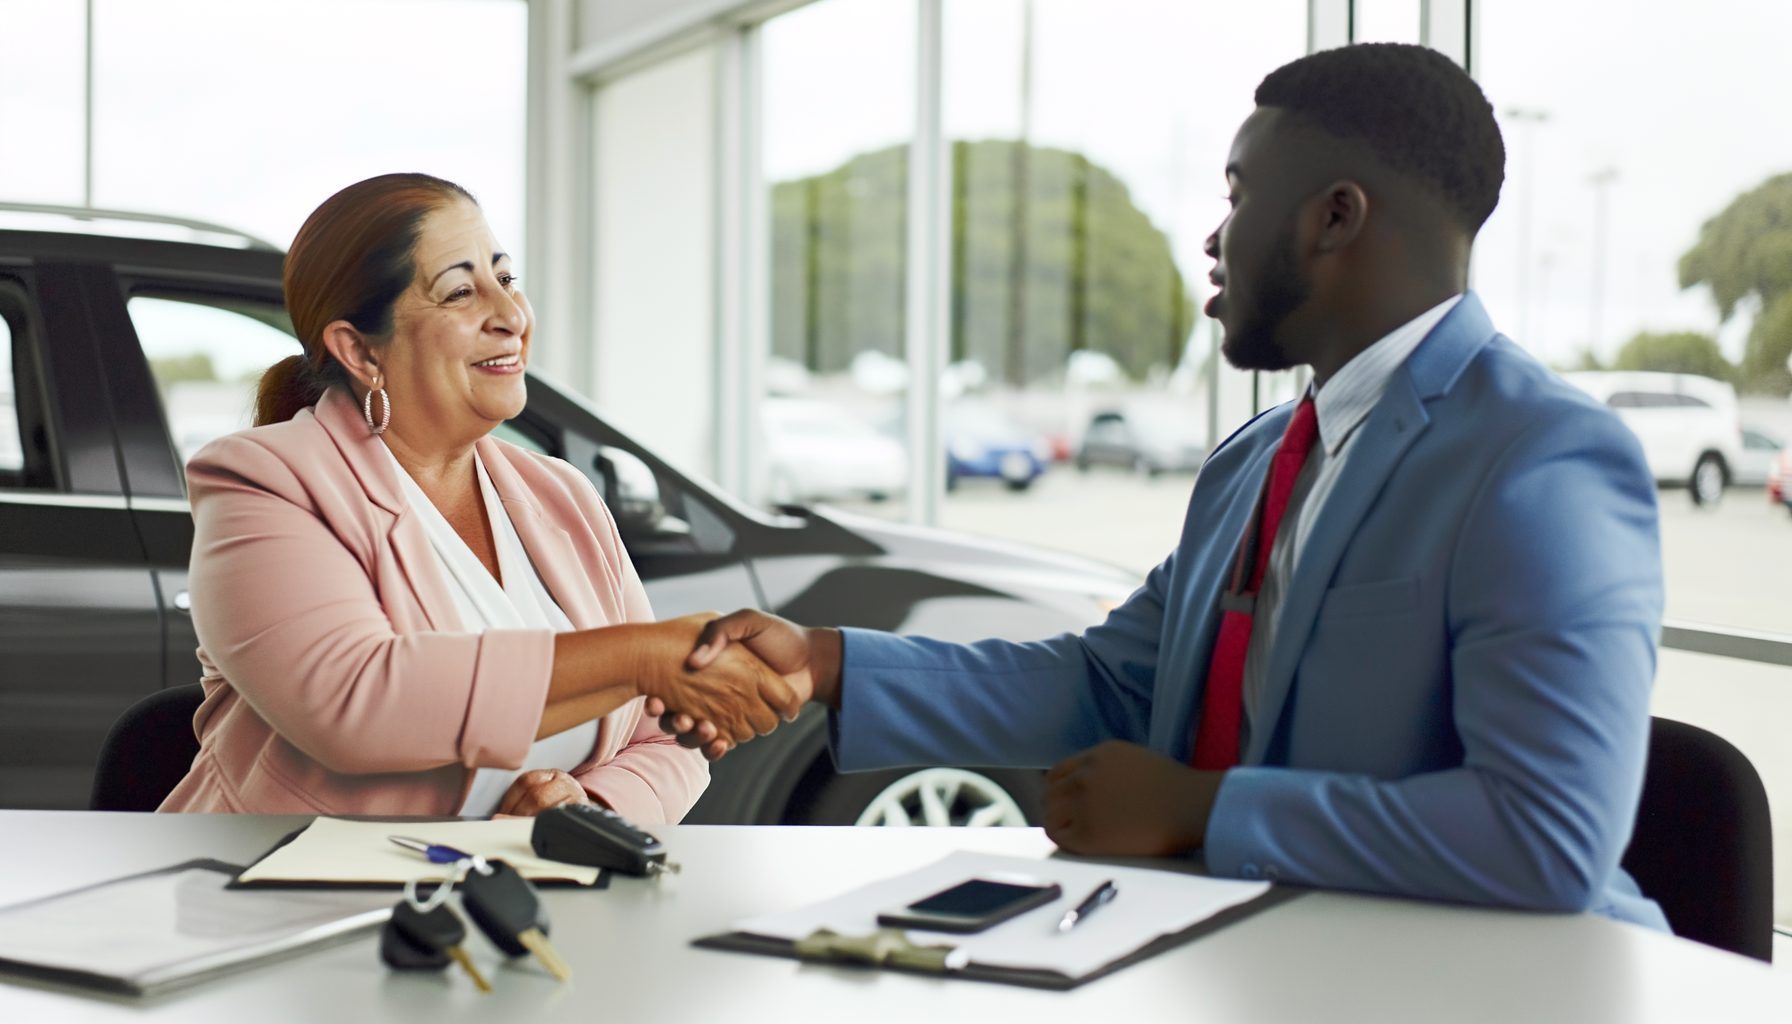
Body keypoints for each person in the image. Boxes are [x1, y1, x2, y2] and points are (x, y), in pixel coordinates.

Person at [676, 44, 1669, 928]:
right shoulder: (1254, 461)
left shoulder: (1540, 456)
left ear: (1334, 218)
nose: (1213, 238)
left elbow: (1543, 833)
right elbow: (1109, 681)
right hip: (1250, 954)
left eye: (1238, 197)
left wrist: (1201, 809)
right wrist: (823, 661)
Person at [160, 173, 799, 821]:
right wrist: (642, 656)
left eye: (507, 279)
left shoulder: (561, 495)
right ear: (358, 349)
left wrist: (593, 805)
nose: (511, 317)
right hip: (285, 899)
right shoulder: (263, 481)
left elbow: (663, 735)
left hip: (516, 902)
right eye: (462, 291)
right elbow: (358, 704)